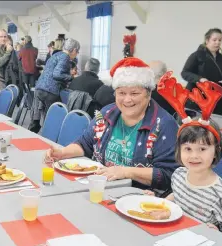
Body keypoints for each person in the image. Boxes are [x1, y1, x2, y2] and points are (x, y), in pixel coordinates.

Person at [45, 57, 179, 190]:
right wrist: (62, 153)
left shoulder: (164, 125)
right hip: (100, 187)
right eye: (121, 93)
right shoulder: (107, 113)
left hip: (139, 198)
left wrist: (126, 172)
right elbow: (85, 143)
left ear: (148, 94)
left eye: (134, 93)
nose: (127, 100)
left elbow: (168, 174)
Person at [152, 72, 222, 238]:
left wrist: (219, 236)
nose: (194, 156)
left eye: (202, 149)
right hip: (174, 236)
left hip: (201, 245)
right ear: (179, 150)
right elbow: (177, 195)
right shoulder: (179, 174)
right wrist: (161, 203)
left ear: (216, 151)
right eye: (188, 149)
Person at [29, 38, 80, 133]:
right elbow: (56, 74)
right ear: (73, 50)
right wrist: (72, 77)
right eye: (77, 52)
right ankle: (50, 139)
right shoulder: (65, 57)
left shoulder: (56, 54)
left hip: (40, 87)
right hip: (50, 90)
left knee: (40, 118)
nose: (77, 54)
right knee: (54, 118)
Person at [181, 28, 222, 116]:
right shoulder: (197, 55)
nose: (218, 42)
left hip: (216, 100)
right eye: (214, 40)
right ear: (207, 40)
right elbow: (185, 73)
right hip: (197, 98)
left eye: (220, 40)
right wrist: (199, 79)